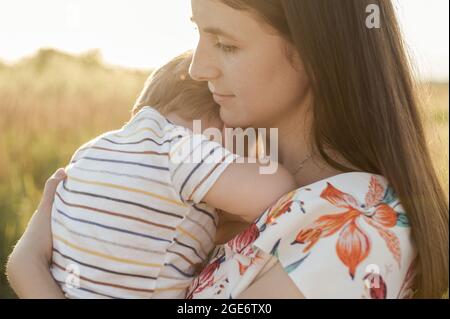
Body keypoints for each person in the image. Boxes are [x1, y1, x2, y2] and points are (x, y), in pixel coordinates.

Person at [7, 0, 449, 299]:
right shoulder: (232, 199)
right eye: (199, 34)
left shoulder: (355, 234)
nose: (198, 67)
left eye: (227, 44)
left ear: (315, 54)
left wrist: (30, 273)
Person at [7, 51, 295, 299]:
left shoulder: (90, 151)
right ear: (221, 127)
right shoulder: (181, 148)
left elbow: (25, 262)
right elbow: (277, 189)